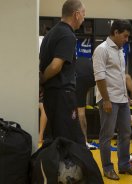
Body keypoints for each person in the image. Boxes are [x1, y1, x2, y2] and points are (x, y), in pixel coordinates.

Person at [93, 19, 132, 181]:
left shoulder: (120, 50)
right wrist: (106, 100)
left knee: (126, 133)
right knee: (107, 135)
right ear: (115, 32)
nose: (126, 40)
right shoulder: (102, 50)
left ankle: (124, 165)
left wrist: (126, 96)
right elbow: (100, 77)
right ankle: (107, 168)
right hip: (108, 99)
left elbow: (120, 76)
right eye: (125, 36)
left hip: (121, 99)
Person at [39, 0, 85, 144]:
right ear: (76, 14)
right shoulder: (67, 35)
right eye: (83, 14)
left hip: (51, 95)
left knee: (56, 138)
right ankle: (65, 167)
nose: (83, 19)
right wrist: (43, 80)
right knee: (68, 140)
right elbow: (55, 66)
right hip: (62, 94)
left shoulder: (51, 33)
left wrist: (42, 82)